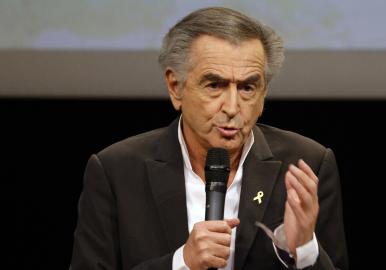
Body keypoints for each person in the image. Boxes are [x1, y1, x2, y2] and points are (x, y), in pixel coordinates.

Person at [70, 7, 348, 270]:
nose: (231, 107)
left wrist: (305, 249)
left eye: (247, 87)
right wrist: (183, 262)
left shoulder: (306, 164)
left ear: (264, 93)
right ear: (175, 87)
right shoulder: (116, 171)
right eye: (215, 85)